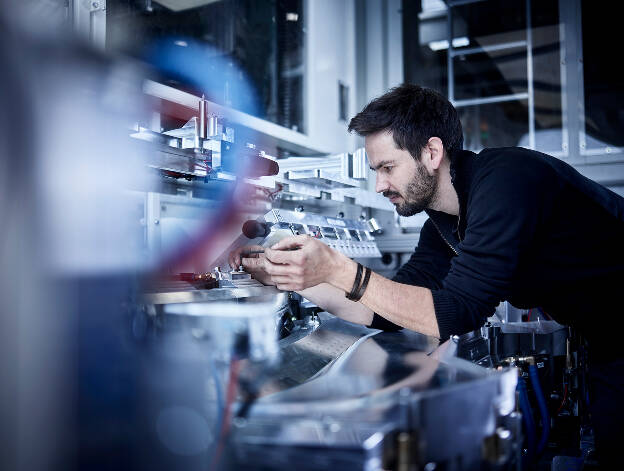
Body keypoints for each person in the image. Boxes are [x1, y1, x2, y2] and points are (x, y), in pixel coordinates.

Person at [230, 84, 624, 465]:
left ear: (432, 152)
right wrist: (296, 276)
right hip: (606, 333)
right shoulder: (442, 225)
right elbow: (386, 308)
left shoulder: (507, 179)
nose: (380, 184)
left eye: (387, 167)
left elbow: (455, 312)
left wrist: (338, 267)